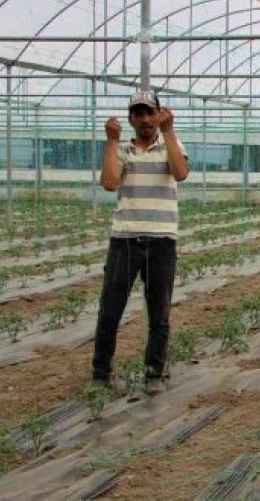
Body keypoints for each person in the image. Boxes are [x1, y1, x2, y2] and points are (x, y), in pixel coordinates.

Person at [92, 89, 189, 395]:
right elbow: (109, 182)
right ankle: (100, 373)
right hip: (124, 239)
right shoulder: (122, 150)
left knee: (159, 313)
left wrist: (169, 132)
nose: (145, 119)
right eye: (139, 113)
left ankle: (154, 373)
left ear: (159, 115)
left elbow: (181, 172)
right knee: (110, 310)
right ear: (131, 119)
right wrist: (110, 141)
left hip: (161, 241)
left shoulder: (170, 144)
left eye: (150, 113)